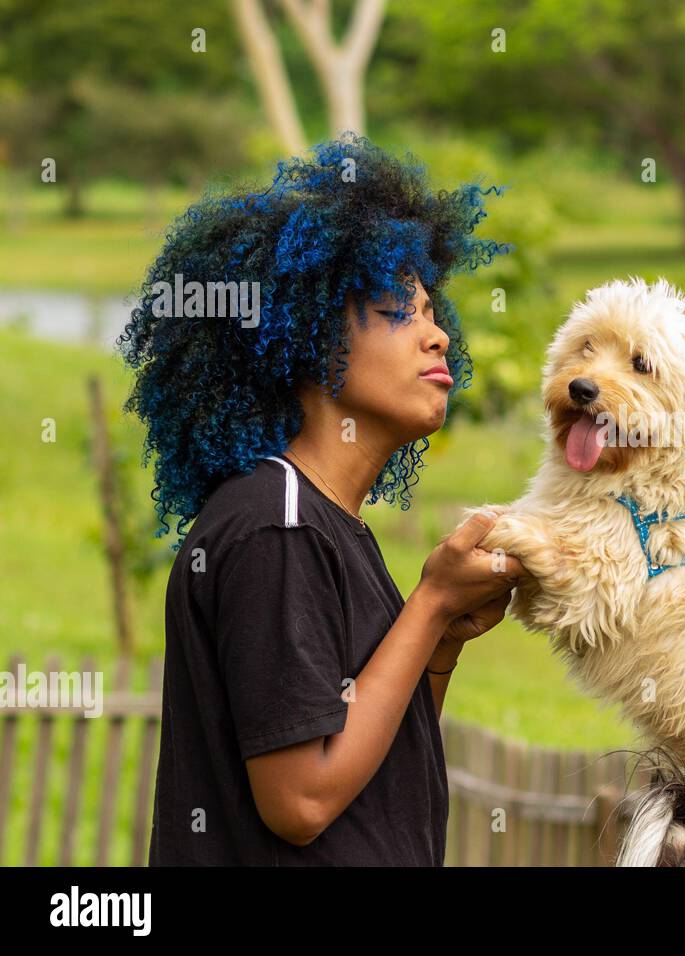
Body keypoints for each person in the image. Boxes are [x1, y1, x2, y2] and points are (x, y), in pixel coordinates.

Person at [121, 134, 526, 865]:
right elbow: (301, 800)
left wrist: (437, 645)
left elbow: (375, 766)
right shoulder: (276, 525)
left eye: (434, 313)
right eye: (400, 311)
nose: (438, 337)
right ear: (308, 337)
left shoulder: (327, 523)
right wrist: (430, 600)